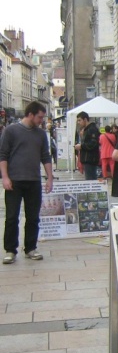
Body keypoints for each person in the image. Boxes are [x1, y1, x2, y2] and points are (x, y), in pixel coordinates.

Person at [0, 101, 54, 264]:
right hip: (14, 180)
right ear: (30, 114)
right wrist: (5, 177)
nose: (41, 121)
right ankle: (10, 250)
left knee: (33, 217)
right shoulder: (11, 131)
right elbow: (3, 155)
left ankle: (30, 247)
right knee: (11, 217)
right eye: (39, 117)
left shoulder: (41, 134)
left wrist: (49, 177)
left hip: (33, 180)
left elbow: (45, 156)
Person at [75, 112, 101, 180]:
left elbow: (93, 144)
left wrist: (81, 146)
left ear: (85, 119)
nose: (78, 122)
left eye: (79, 120)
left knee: (91, 180)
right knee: (89, 180)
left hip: (90, 159)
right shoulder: (86, 129)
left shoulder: (92, 129)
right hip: (87, 159)